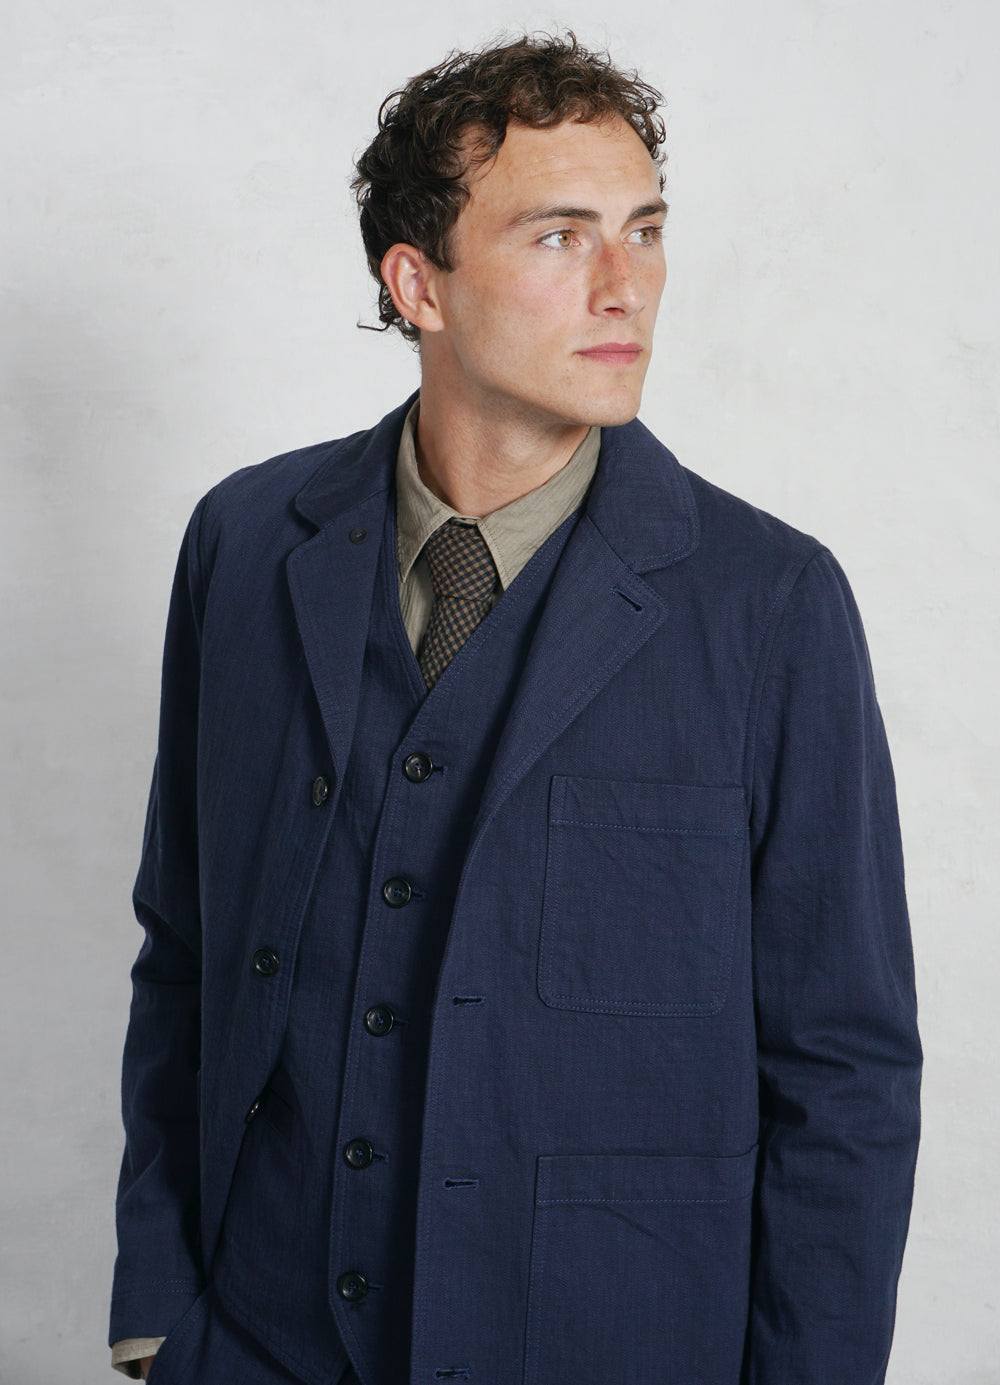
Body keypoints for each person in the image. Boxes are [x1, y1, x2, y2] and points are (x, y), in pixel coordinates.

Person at [110, 31, 921, 1385]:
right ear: (417, 283)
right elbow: (183, 945)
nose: (625, 285)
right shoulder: (246, 545)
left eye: (644, 231)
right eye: (560, 236)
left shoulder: (769, 601)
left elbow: (843, 1066)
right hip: (257, 1344)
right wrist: (158, 1315)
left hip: (609, 1345)